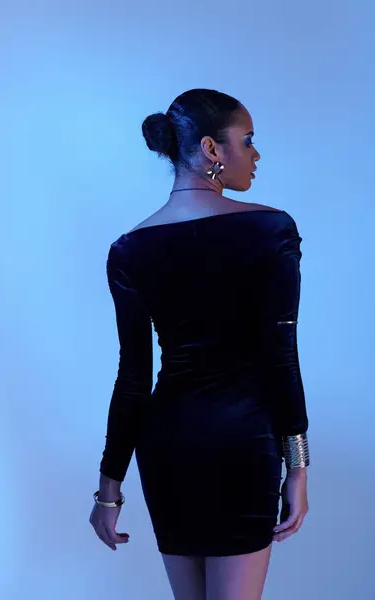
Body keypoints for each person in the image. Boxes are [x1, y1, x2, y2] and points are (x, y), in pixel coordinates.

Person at [89, 88, 310, 600]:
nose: (256, 155)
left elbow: (134, 377)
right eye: (248, 141)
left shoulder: (129, 249)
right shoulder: (269, 229)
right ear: (213, 149)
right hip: (241, 442)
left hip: (168, 445)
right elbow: (281, 356)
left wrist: (109, 489)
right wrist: (297, 464)